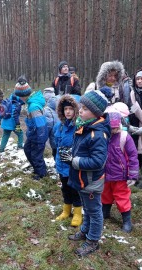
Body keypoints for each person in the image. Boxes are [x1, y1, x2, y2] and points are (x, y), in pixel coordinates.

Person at [61, 90, 110, 257]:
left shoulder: (98, 134)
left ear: (96, 113)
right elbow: (82, 150)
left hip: (90, 181)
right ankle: (85, 231)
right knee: (87, 210)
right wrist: (70, 153)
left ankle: (93, 240)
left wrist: (74, 161)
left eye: (84, 109)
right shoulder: (86, 127)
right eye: (80, 107)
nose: (80, 111)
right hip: (82, 179)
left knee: (94, 211)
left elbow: (98, 161)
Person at [101, 111, 139, 233]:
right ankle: (104, 212)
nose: (113, 130)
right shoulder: (103, 136)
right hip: (105, 174)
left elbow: (133, 156)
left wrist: (132, 175)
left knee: (122, 197)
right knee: (105, 194)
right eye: (111, 128)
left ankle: (126, 219)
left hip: (121, 175)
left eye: (115, 128)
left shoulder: (124, 137)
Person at [54, 94, 82, 227]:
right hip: (61, 163)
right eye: (65, 109)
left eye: (71, 109)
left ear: (75, 110)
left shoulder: (78, 127)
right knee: (65, 188)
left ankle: (77, 212)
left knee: (74, 189)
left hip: (73, 165)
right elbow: (57, 144)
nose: (68, 112)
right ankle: (66, 210)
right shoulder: (60, 126)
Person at [16, 76, 48, 180]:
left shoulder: (33, 106)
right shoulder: (30, 102)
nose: (19, 99)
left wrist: (40, 139)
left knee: (36, 155)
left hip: (38, 136)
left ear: (23, 96)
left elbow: (41, 125)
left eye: (20, 96)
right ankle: (38, 167)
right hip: (33, 134)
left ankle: (41, 173)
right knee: (27, 150)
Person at [43, 87, 60, 160]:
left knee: (55, 151)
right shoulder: (59, 104)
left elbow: (48, 126)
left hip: (53, 137)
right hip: (59, 137)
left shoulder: (46, 110)